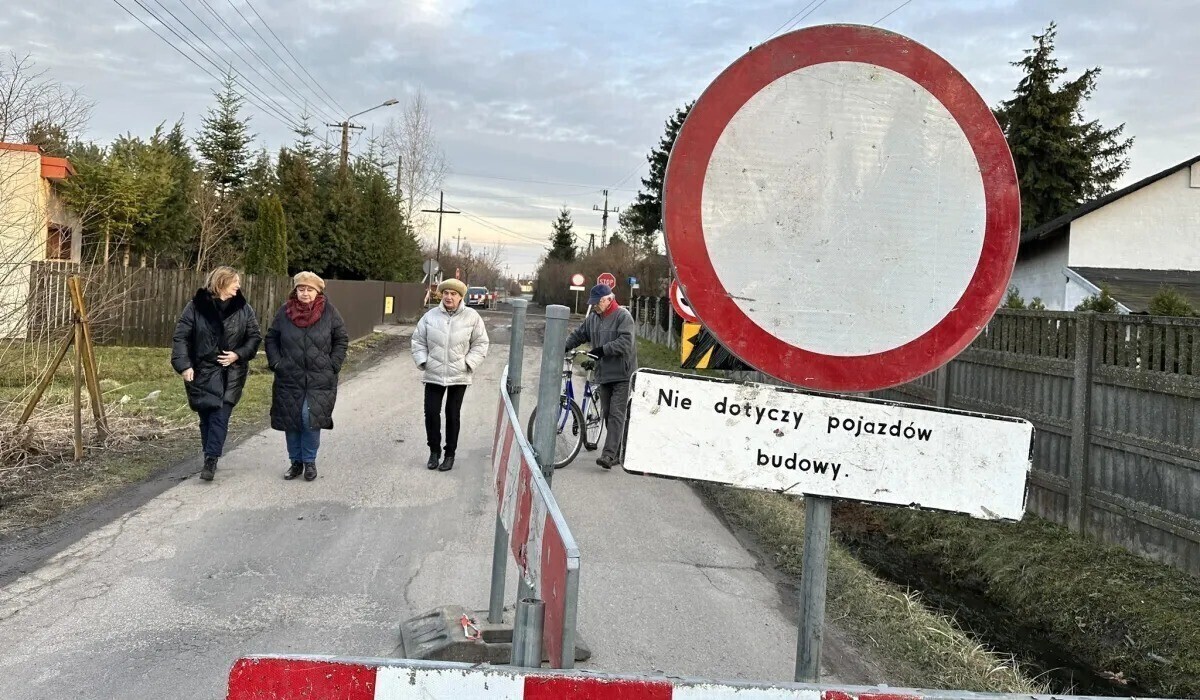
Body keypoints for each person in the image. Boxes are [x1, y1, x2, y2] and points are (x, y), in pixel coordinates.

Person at [171, 266, 262, 482]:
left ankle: (211, 459)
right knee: (206, 417)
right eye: (235, 282)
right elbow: (181, 337)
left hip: (232, 372)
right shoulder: (195, 307)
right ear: (221, 282)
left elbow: (254, 336)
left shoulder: (243, 308)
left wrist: (238, 355)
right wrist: (184, 366)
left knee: (220, 415)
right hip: (202, 371)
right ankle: (209, 453)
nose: (238, 286)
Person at [265, 271, 349, 482]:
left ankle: (309, 462)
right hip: (289, 377)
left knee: (309, 419)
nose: (305, 293)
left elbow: (341, 338)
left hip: (320, 378)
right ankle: (296, 463)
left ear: (318, 291)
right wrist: (276, 363)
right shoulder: (285, 312)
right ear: (296, 290)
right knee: (291, 421)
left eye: (309, 289)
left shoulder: (329, 312)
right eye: (301, 289)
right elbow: (271, 338)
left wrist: (333, 364)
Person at [412, 278, 490, 472]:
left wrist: (468, 363)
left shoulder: (472, 317)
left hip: (458, 374)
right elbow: (418, 340)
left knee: (452, 414)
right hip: (434, 372)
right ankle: (434, 451)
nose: (448, 297)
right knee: (431, 413)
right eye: (445, 293)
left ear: (460, 297)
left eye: (453, 294)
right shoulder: (430, 316)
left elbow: (481, 343)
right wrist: (424, 361)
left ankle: (449, 454)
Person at [565, 284, 637, 469]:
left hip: (622, 374)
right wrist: (563, 345)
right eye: (593, 304)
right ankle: (617, 452)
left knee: (616, 414)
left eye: (597, 303)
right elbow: (579, 334)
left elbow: (625, 343)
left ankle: (609, 455)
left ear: (608, 299)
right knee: (606, 412)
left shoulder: (623, 316)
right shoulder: (593, 319)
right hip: (604, 373)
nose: (595, 306)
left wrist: (603, 350)